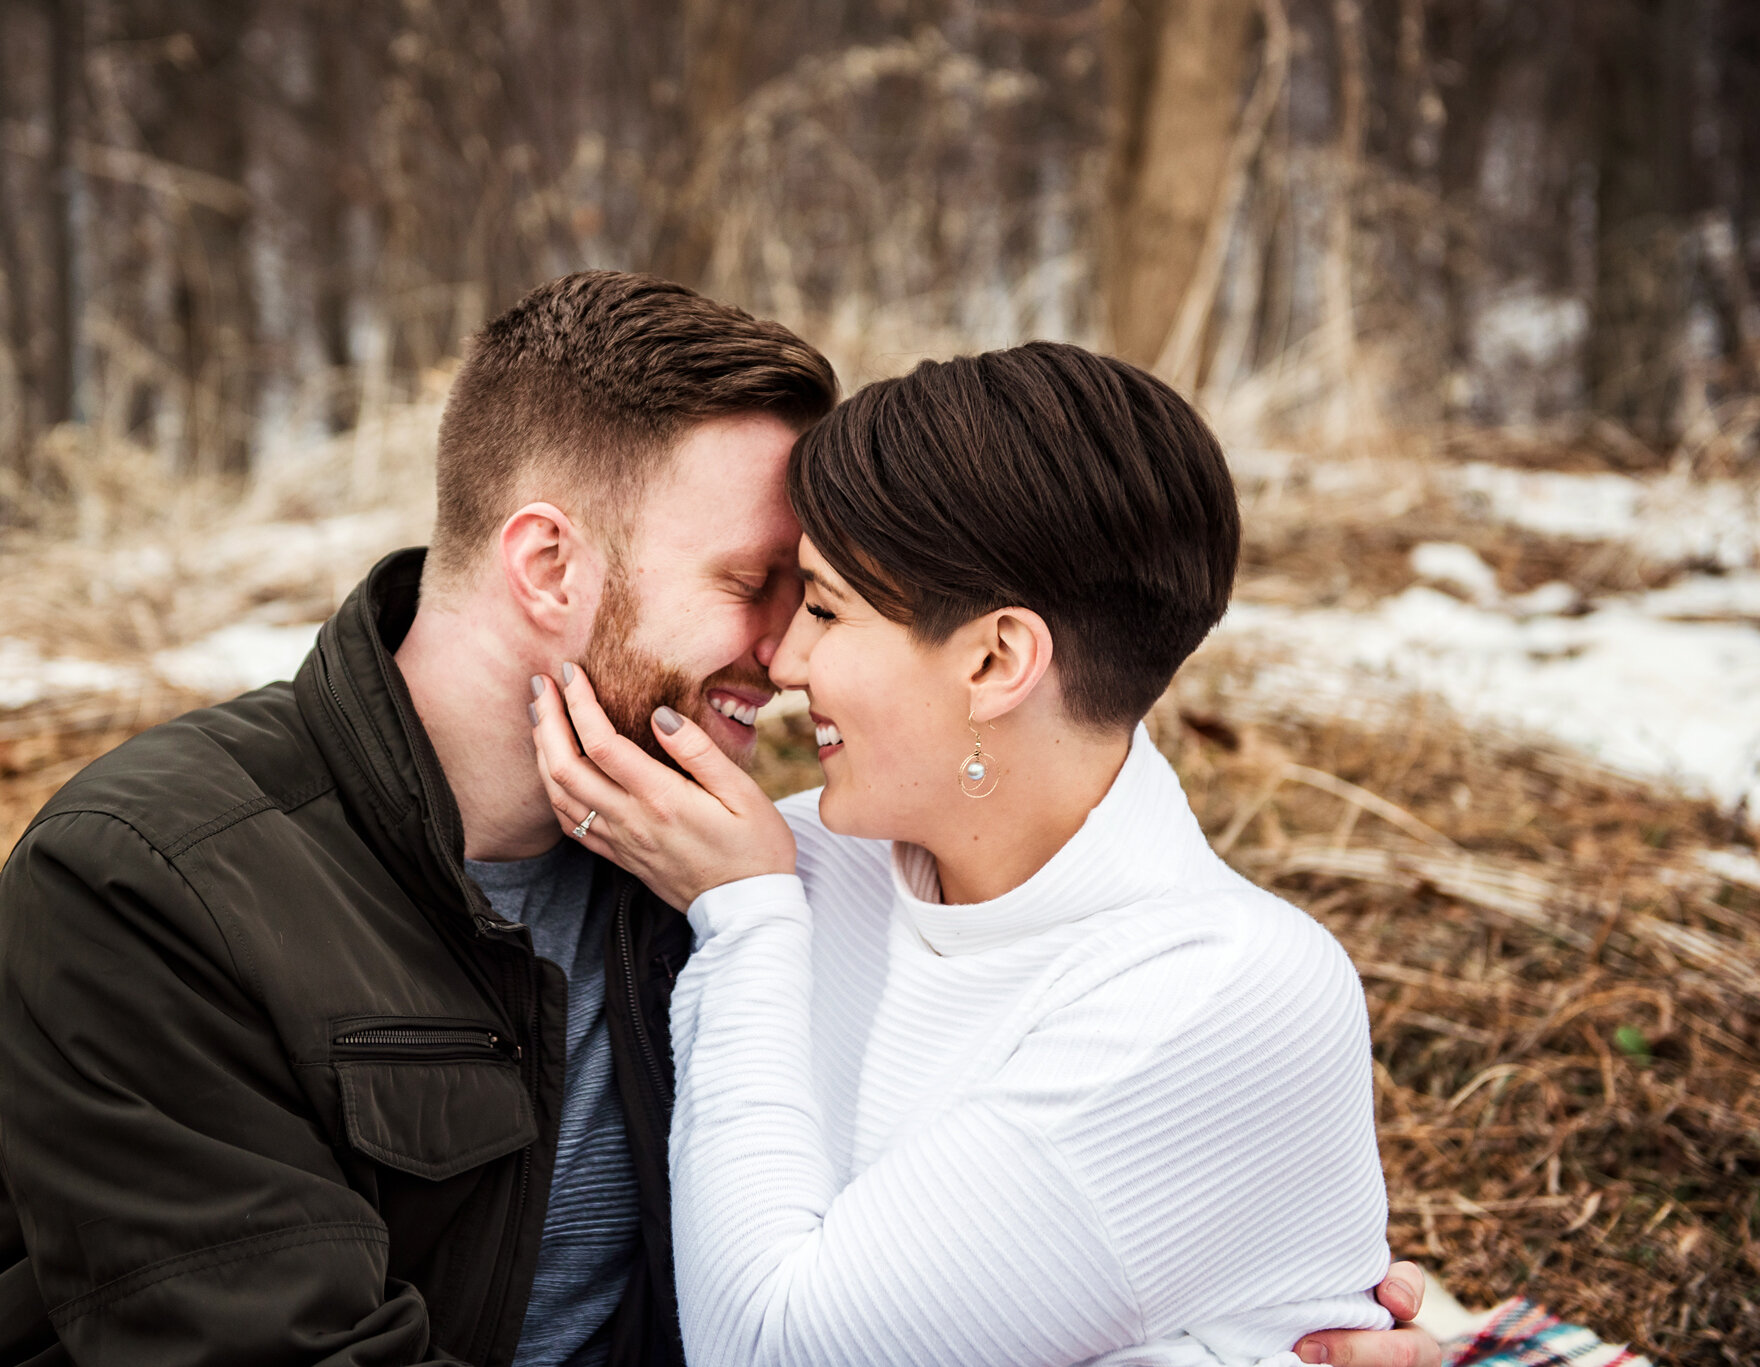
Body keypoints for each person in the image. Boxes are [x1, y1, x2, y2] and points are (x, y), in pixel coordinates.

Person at [0, 273, 1436, 1367]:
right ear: (549, 570)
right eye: (754, 585)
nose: (780, 658)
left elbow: (997, 1219)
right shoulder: (151, 888)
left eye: (818, 595)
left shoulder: (705, 866)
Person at [529, 340, 1409, 1366]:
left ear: (994, 658)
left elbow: (766, 1348)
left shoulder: (1226, 990)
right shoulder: (803, 857)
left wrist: (744, 920)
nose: (782, 658)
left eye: (823, 606)